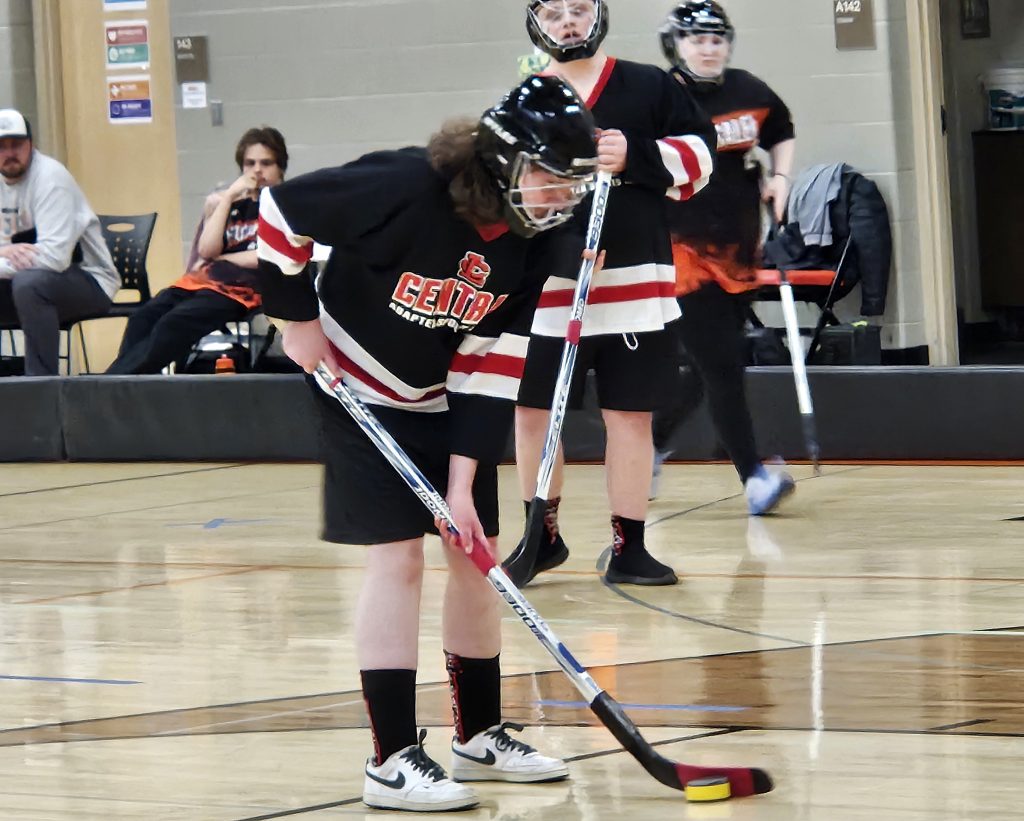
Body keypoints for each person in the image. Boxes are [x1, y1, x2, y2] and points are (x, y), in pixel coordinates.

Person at [257, 76, 600, 812]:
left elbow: (491, 360)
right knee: (401, 558)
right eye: (549, 179)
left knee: (473, 556)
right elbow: (280, 214)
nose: (559, 198)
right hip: (351, 380)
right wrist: (294, 318)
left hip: (444, 397)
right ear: (504, 162)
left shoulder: (538, 240)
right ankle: (390, 758)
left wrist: (461, 483)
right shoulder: (407, 183)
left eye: (570, 186)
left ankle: (476, 735)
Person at [513, 0, 716, 586]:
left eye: (578, 9)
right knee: (534, 414)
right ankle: (541, 536)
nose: (568, 22)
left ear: (598, 14)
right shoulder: (527, 100)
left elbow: (702, 157)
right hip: (552, 291)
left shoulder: (649, 85)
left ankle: (630, 546)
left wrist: (638, 156)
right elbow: (503, 193)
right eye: (554, 15)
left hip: (635, 287)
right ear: (536, 25)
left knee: (629, 416)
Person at [650, 1, 797, 513]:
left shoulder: (750, 91)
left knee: (708, 362)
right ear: (676, 45)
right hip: (681, 250)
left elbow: (781, 130)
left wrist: (780, 178)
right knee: (723, 364)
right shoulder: (659, 97)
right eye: (696, 39)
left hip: (737, 247)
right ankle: (754, 476)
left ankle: (651, 440)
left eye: (716, 39)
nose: (708, 48)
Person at [105, 127, 287, 374]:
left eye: (266, 163)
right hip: (202, 282)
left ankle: (115, 383)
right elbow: (207, 249)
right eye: (249, 163)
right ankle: (126, 384)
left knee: (174, 323)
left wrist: (225, 257)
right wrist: (226, 198)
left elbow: (266, 254)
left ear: (280, 168)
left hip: (243, 290)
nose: (257, 170)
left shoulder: (283, 205)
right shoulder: (233, 203)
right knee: (143, 317)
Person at [0, 108, 119, 376]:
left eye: (16, 145)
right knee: (26, 284)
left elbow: (54, 259)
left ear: (31, 145)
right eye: (2, 147)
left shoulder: (51, 179)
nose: (9, 153)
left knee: (30, 285)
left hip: (89, 282)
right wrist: (5, 251)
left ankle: (41, 388)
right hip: (24, 282)